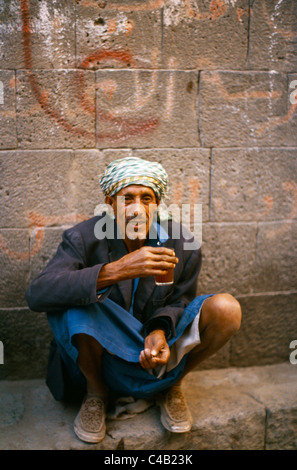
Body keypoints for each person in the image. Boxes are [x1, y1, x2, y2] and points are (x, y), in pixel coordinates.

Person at [26, 156, 242, 444]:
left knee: (227, 309)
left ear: (157, 204)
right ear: (110, 202)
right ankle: (96, 394)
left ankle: (171, 385)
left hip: (150, 356)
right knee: (74, 302)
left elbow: (180, 301)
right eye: (127, 198)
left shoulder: (179, 241)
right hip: (99, 358)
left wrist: (159, 332)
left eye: (147, 198)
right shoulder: (83, 237)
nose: (137, 209)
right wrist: (115, 271)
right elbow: (38, 294)